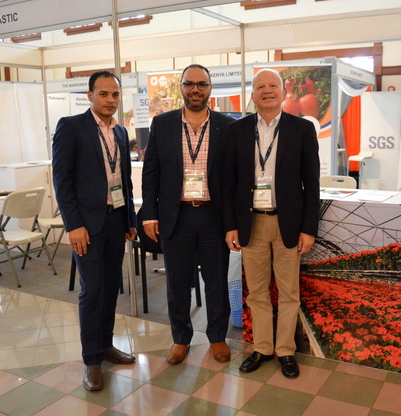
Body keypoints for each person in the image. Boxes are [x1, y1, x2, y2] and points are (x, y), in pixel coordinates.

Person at [223, 68, 320, 379]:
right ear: (252, 95)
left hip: (287, 222)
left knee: (289, 292)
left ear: (283, 92)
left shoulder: (302, 129)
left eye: (273, 86)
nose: (267, 91)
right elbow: (229, 183)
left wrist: (309, 229)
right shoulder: (237, 130)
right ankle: (263, 348)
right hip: (250, 222)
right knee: (257, 292)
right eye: (260, 87)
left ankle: (286, 351)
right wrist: (231, 225)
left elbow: (312, 184)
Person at [142, 64, 233, 365]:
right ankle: (181, 338)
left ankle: (217, 337)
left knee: (216, 281)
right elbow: (151, 172)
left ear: (210, 89)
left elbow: (232, 178)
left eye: (201, 84)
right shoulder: (162, 124)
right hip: (176, 215)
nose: (195, 89)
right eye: (189, 84)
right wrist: (149, 214)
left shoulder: (226, 126)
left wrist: (232, 222)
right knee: (177, 282)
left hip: (213, 216)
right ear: (181, 87)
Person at [52, 71, 137, 391]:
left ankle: (106, 345)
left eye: (115, 94)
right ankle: (91, 360)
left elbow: (124, 180)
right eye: (104, 94)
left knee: (111, 286)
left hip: (115, 221)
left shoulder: (120, 131)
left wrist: (130, 219)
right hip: (86, 225)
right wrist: (73, 225)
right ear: (90, 96)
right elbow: (62, 180)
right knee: (92, 290)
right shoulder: (71, 126)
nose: (110, 100)